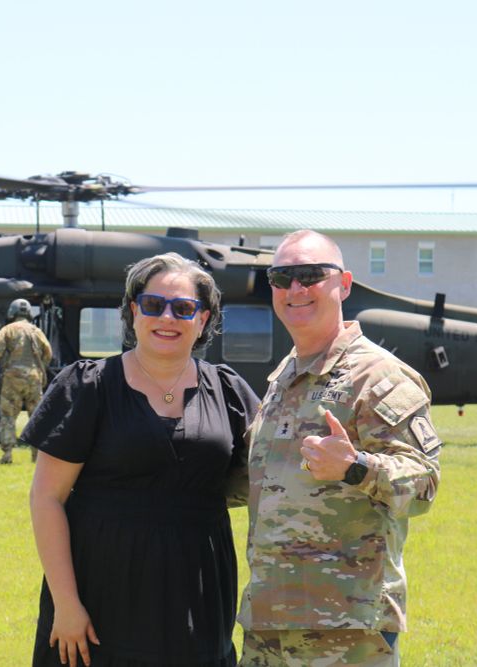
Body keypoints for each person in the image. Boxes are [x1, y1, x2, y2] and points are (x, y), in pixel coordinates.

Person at [26, 252, 259, 667]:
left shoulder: (229, 391)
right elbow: (47, 498)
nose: (166, 318)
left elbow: (277, 472)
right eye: (153, 305)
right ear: (134, 312)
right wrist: (66, 603)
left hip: (198, 593)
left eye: (183, 308)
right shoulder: (88, 387)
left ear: (202, 320)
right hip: (100, 592)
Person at [238, 230, 442, 666]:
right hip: (268, 621)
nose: (296, 288)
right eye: (282, 277)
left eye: (311, 275)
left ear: (344, 284)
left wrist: (355, 467)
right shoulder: (284, 378)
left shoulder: (377, 377)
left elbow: (424, 485)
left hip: (347, 627)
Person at [0, 298, 53, 464]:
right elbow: (48, 353)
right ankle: (37, 456)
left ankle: (7, 455)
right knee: (36, 417)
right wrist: (39, 367)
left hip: (12, 379)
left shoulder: (8, 330)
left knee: (7, 416)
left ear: (12, 313)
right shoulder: (36, 331)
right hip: (34, 379)